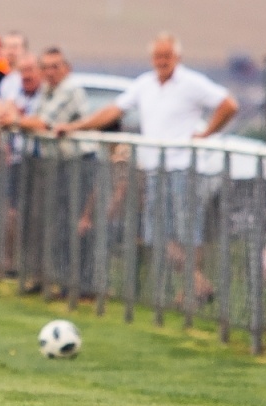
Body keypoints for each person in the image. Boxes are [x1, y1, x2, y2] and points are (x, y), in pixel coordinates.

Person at [57, 34, 238, 302]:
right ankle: (197, 282)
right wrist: (75, 127)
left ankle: (189, 288)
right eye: (158, 56)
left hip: (183, 167)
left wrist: (208, 133)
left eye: (167, 56)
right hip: (154, 168)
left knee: (187, 230)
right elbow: (113, 111)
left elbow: (228, 104)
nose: (162, 61)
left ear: (177, 57)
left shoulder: (191, 83)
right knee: (156, 233)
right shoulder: (144, 85)